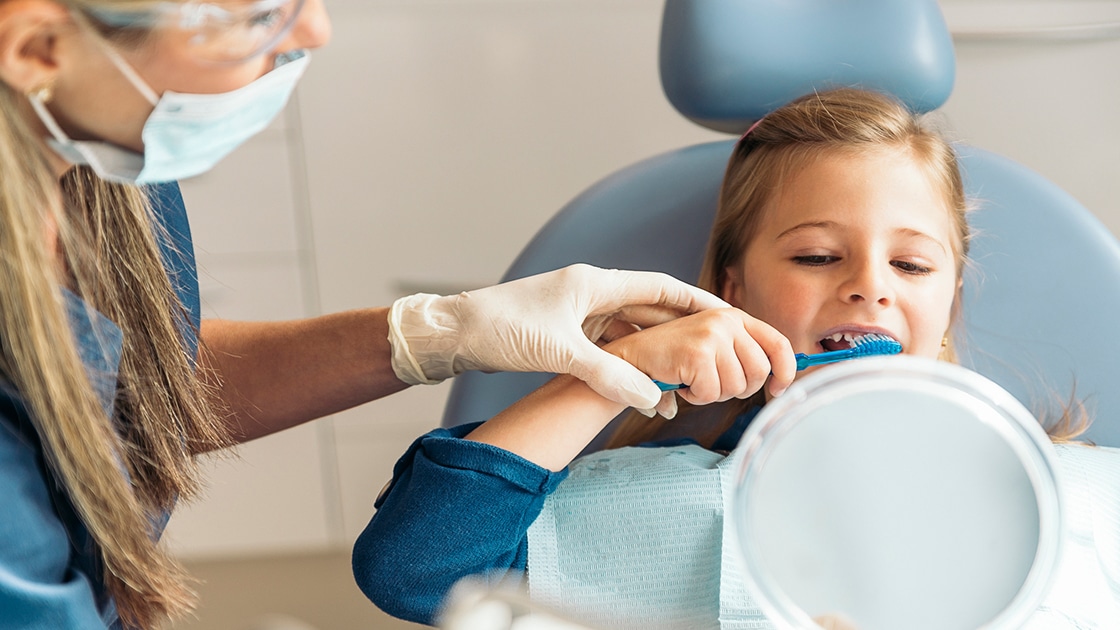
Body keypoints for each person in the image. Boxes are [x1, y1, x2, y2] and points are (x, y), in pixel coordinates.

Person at [0, 1, 740, 628]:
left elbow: (135, 386)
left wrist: (438, 333)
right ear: (37, 49)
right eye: (260, 13)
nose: (314, 29)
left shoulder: (97, 157)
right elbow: (415, 564)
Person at [352, 87, 1096, 627]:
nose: (869, 286)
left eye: (912, 266)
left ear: (951, 303)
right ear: (733, 291)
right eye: (816, 255)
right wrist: (617, 374)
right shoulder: (657, 506)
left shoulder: (1076, 491)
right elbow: (413, 570)